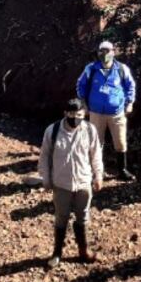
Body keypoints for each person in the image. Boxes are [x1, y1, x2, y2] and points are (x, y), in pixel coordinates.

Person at [38, 98, 104, 268]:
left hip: (83, 182)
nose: (75, 118)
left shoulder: (90, 130)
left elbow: (96, 154)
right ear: (65, 113)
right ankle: (57, 253)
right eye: (72, 114)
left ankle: (84, 251)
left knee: (83, 217)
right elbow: (44, 156)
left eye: (79, 115)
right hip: (61, 184)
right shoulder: (52, 131)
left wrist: (98, 175)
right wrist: (45, 177)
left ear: (85, 114)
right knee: (61, 218)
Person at [76, 41, 137, 180]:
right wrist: (83, 103)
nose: (104, 54)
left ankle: (122, 170)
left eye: (107, 51)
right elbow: (81, 85)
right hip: (96, 113)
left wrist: (130, 102)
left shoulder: (122, 69)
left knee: (120, 142)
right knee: (96, 142)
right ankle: (96, 171)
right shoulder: (91, 69)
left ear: (113, 52)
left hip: (117, 113)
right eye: (101, 51)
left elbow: (130, 86)